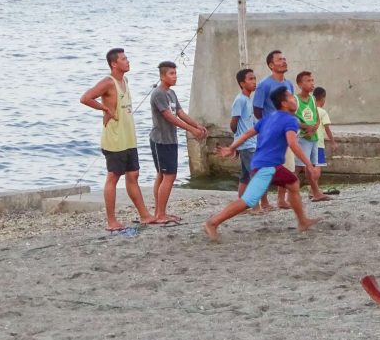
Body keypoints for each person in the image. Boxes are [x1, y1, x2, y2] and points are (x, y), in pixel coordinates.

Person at [207, 87, 321, 241]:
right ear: (284, 103)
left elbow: (247, 134)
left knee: (293, 183)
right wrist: (309, 165)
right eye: (291, 97)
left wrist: (232, 148)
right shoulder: (290, 120)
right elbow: (293, 144)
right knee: (248, 201)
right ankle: (213, 223)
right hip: (267, 166)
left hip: (265, 164)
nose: (294, 100)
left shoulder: (268, 118)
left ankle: (302, 221)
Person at [80, 47, 156, 231]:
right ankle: (111, 221)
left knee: (133, 174)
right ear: (114, 64)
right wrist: (105, 109)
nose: (127, 61)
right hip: (114, 138)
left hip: (128, 136)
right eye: (123, 59)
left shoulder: (125, 80)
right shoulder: (108, 82)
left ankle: (144, 215)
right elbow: (85, 98)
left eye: (127, 58)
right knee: (113, 177)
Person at [149, 61, 207, 225]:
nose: (175, 77)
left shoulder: (171, 93)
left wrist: (197, 125)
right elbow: (169, 117)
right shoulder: (158, 94)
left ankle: (160, 212)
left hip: (171, 139)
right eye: (171, 74)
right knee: (168, 175)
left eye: (175, 73)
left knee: (163, 175)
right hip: (161, 140)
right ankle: (160, 214)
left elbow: (180, 113)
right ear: (162, 76)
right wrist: (191, 130)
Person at [230, 68, 270, 211]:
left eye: (254, 78)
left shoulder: (249, 99)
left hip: (251, 143)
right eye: (250, 79)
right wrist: (238, 142)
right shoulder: (240, 100)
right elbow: (233, 123)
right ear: (242, 83)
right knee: (256, 175)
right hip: (247, 145)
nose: (254, 82)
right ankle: (255, 206)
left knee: (245, 176)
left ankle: (241, 206)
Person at [292, 71, 329, 203]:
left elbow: (317, 118)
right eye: (308, 81)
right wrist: (305, 127)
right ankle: (287, 195)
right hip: (302, 138)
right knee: (297, 167)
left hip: (313, 138)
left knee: (311, 166)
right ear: (300, 84)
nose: (312, 83)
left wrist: (313, 128)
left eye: (312, 80)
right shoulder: (295, 100)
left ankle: (315, 193)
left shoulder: (313, 99)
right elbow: (290, 119)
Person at [253, 50, 293, 121]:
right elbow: (257, 111)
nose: (284, 62)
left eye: (284, 59)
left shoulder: (289, 84)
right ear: (271, 65)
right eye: (280, 60)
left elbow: (291, 106)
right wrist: (269, 123)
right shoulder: (264, 85)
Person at [312, 86, 335, 166]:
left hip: (308, 143)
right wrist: (333, 142)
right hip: (318, 144)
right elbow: (327, 129)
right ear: (323, 98)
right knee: (317, 166)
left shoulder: (310, 110)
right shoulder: (323, 112)